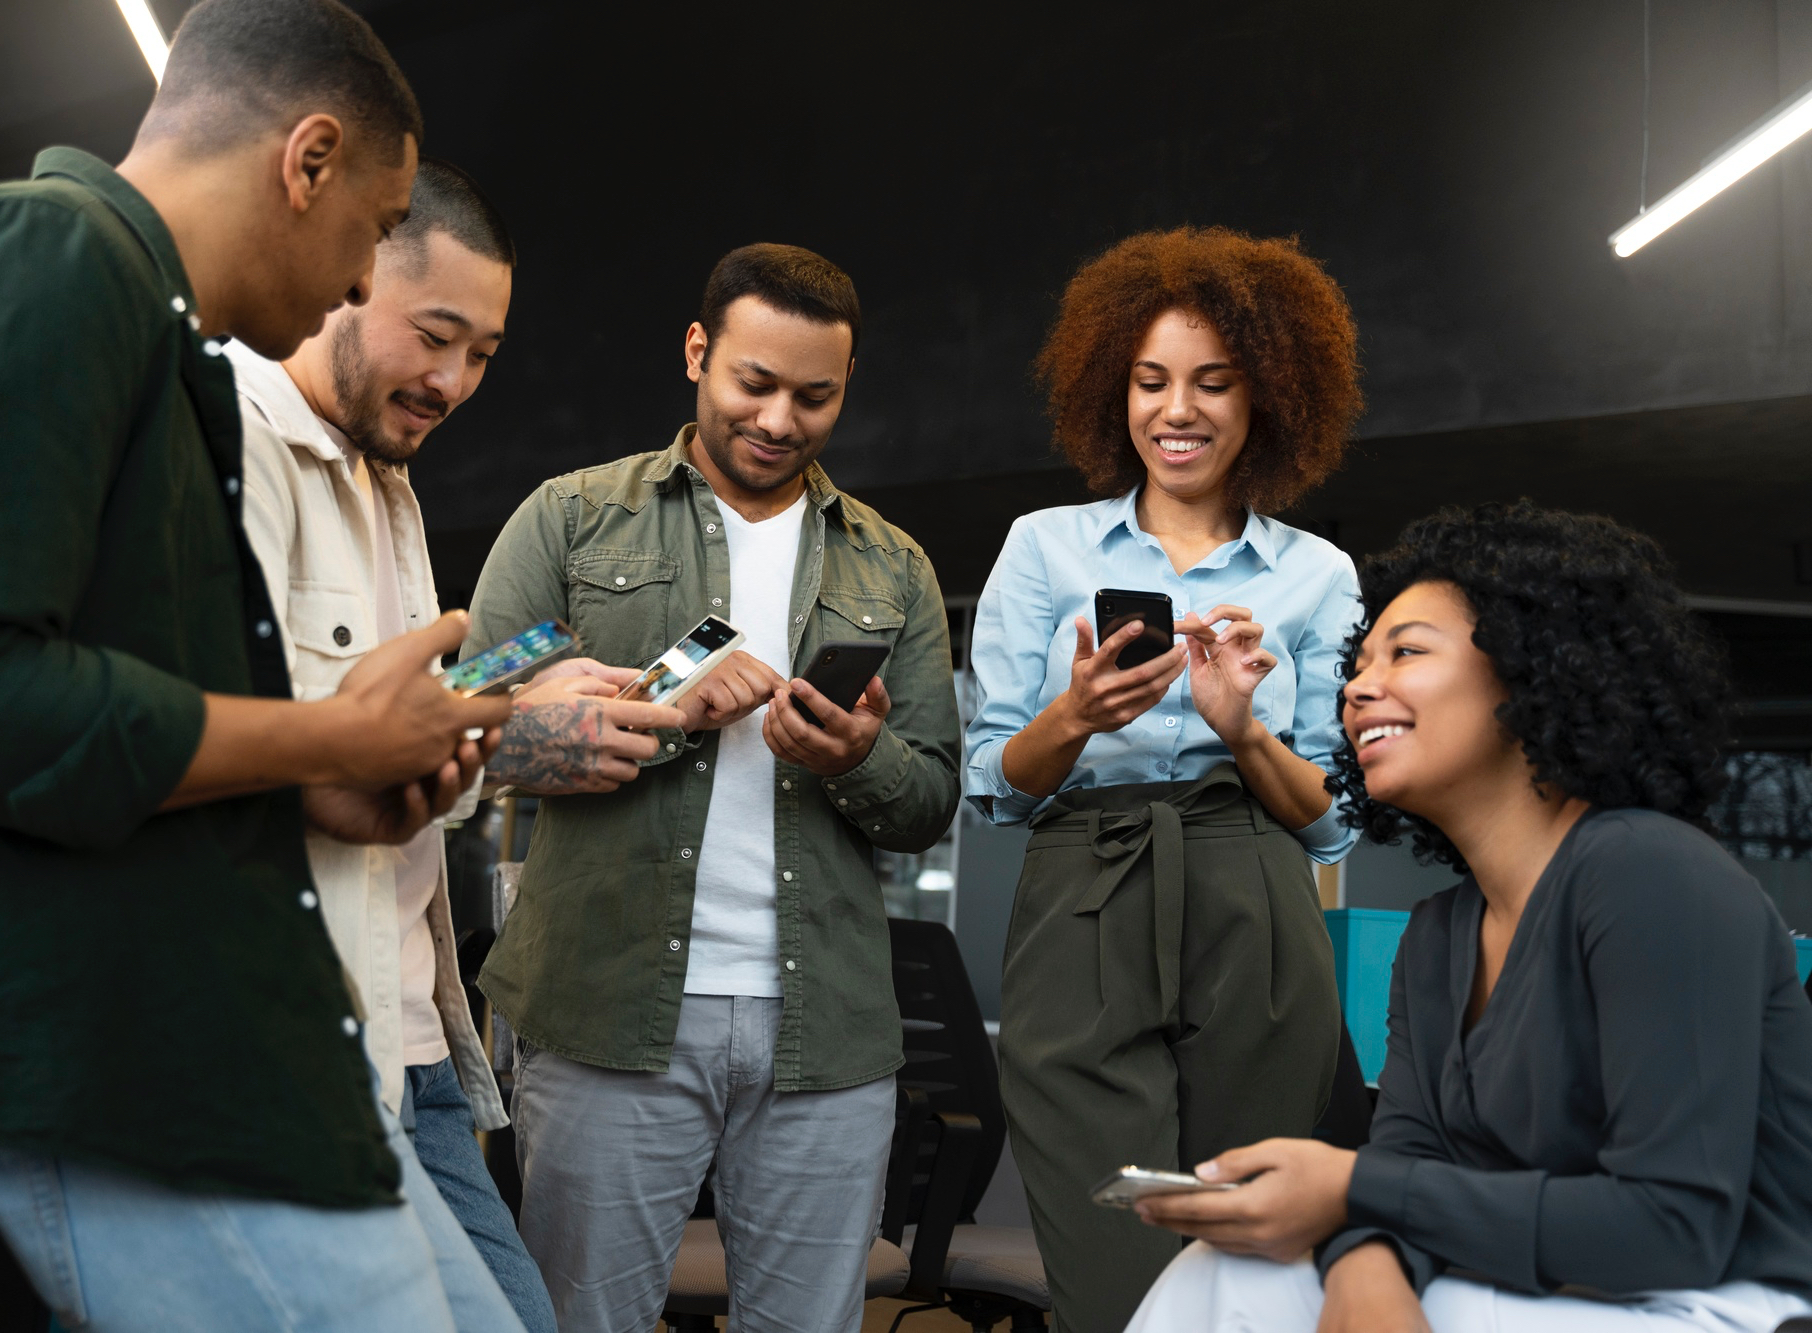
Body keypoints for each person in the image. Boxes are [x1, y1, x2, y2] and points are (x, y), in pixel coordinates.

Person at [0, 2, 533, 1328]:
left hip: (145, 1046)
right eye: (377, 233)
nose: (364, 284)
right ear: (306, 160)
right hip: (77, 1062)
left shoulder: (153, 345)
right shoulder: (43, 253)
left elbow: (57, 724)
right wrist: (327, 741)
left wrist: (305, 785)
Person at [1124, 500, 1812, 1333]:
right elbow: (1410, 1167)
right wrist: (1366, 1266)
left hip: (1708, 1300)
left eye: (1406, 651)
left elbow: (1675, 1229)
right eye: (1361, 659)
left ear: (1533, 673)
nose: (1357, 685)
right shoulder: (1440, 936)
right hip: (1534, 1284)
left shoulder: (1653, 872)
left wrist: (1345, 1191)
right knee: (1229, 1268)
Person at [466, 243, 962, 1331]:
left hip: (822, 1032)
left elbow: (926, 800)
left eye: (814, 395)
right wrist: (665, 712)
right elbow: (464, 732)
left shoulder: (892, 567)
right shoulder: (573, 521)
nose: (781, 419)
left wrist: (852, 758)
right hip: (605, 1009)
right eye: (754, 382)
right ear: (697, 353)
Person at [233, 157, 681, 1333]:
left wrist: (503, 696)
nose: (454, 381)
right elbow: (263, 746)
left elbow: (392, 718)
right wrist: (502, 722)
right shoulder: (234, 442)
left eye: (482, 353)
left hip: (421, 1035)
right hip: (316, 1037)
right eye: (436, 336)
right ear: (345, 275)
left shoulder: (390, 481)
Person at [964, 226, 1367, 1331]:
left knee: (1243, 1239)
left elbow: (1325, 821)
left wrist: (1243, 730)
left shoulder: (1314, 573)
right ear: (1112, 390)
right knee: (1111, 1259)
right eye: (1148, 382)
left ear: (1265, 399)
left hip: (1252, 885)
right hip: (1080, 884)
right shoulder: (1043, 548)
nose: (1174, 410)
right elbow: (995, 780)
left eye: (1210, 383)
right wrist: (1075, 713)